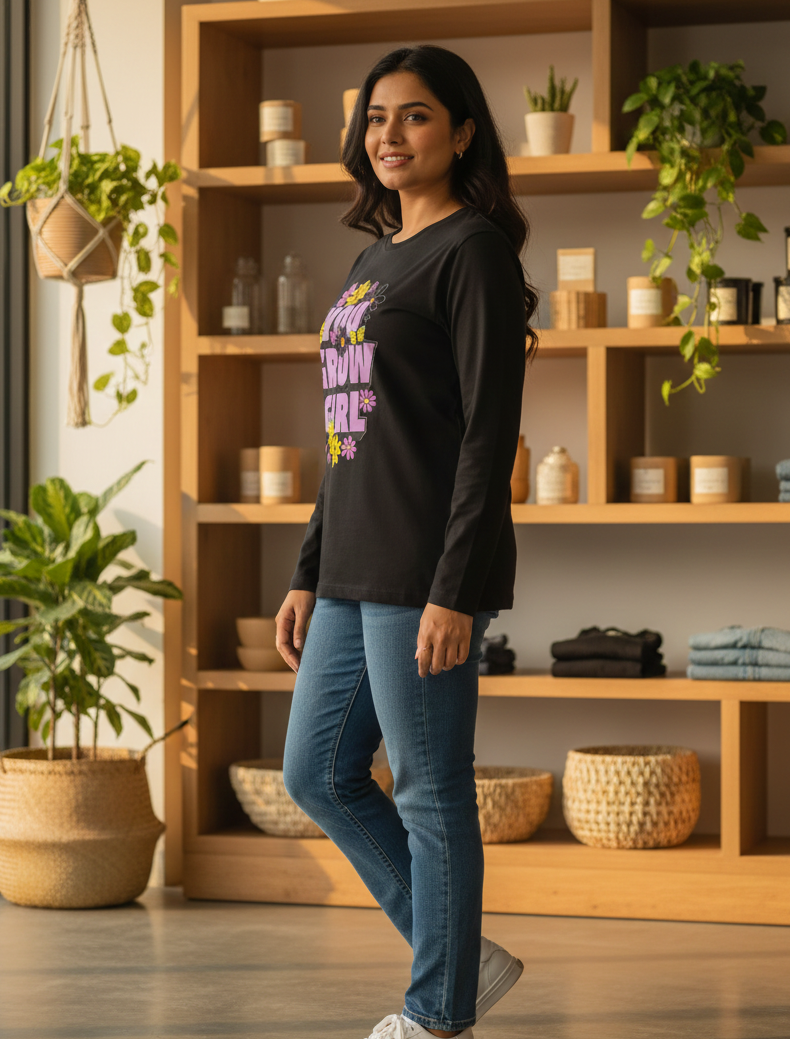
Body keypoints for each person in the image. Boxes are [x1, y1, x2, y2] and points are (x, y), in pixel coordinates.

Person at [276, 43, 538, 1039]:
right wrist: (307, 569)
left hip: (421, 570)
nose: (391, 134)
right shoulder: (370, 260)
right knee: (316, 773)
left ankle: (437, 1013)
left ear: (462, 131)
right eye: (378, 118)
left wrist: (455, 589)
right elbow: (347, 434)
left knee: (429, 792)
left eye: (416, 115)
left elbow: (486, 435)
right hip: (349, 566)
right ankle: (459, 960)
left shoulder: (471, 250)